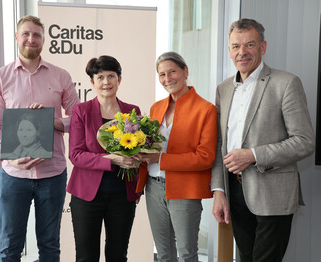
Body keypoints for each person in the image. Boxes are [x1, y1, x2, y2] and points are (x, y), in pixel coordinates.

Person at [211, 18, 315, 262]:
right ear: (229, 50)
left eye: (249, 45)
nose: (242, 52)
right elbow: (218, 144)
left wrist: (253, 155)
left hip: (273, 193)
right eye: (236, 46)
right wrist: (218, 191)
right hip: (234, 192)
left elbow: (304, 140)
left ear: (263, 47)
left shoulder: (286, 83)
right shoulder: (223, 89)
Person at [0, 15, 80, 261]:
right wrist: (9, 157)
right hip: (13, 176)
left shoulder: (61, 76)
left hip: (53, 174)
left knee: (50, 248)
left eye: (36, 35)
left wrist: (54, 122)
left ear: (43, 40)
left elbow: (78, 119)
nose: (31, 39)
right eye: (26, 34)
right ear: (17, 37)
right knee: (9, 248)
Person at [135, 52, 218, 262]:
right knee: (163, 254)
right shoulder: (156, 107)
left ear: (185, 71)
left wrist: (160, 160)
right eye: (162, 74)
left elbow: (205, 157)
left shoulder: (206, 109)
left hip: (185, 189)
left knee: (187, 253)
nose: (167, 78)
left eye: (172, 71)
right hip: (153, 187)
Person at [66, 55, 141, 262]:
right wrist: (113, 160)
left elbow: (139, 148)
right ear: (92, 82)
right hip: (87, 196)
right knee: (86, 257)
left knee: (118, 256)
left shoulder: (132, 112)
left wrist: (139, 157)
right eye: (100, 77)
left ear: (119, 79)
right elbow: (76, 155)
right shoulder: (81, 111)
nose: (106, 82)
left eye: (111, 76)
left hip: (122, 195)